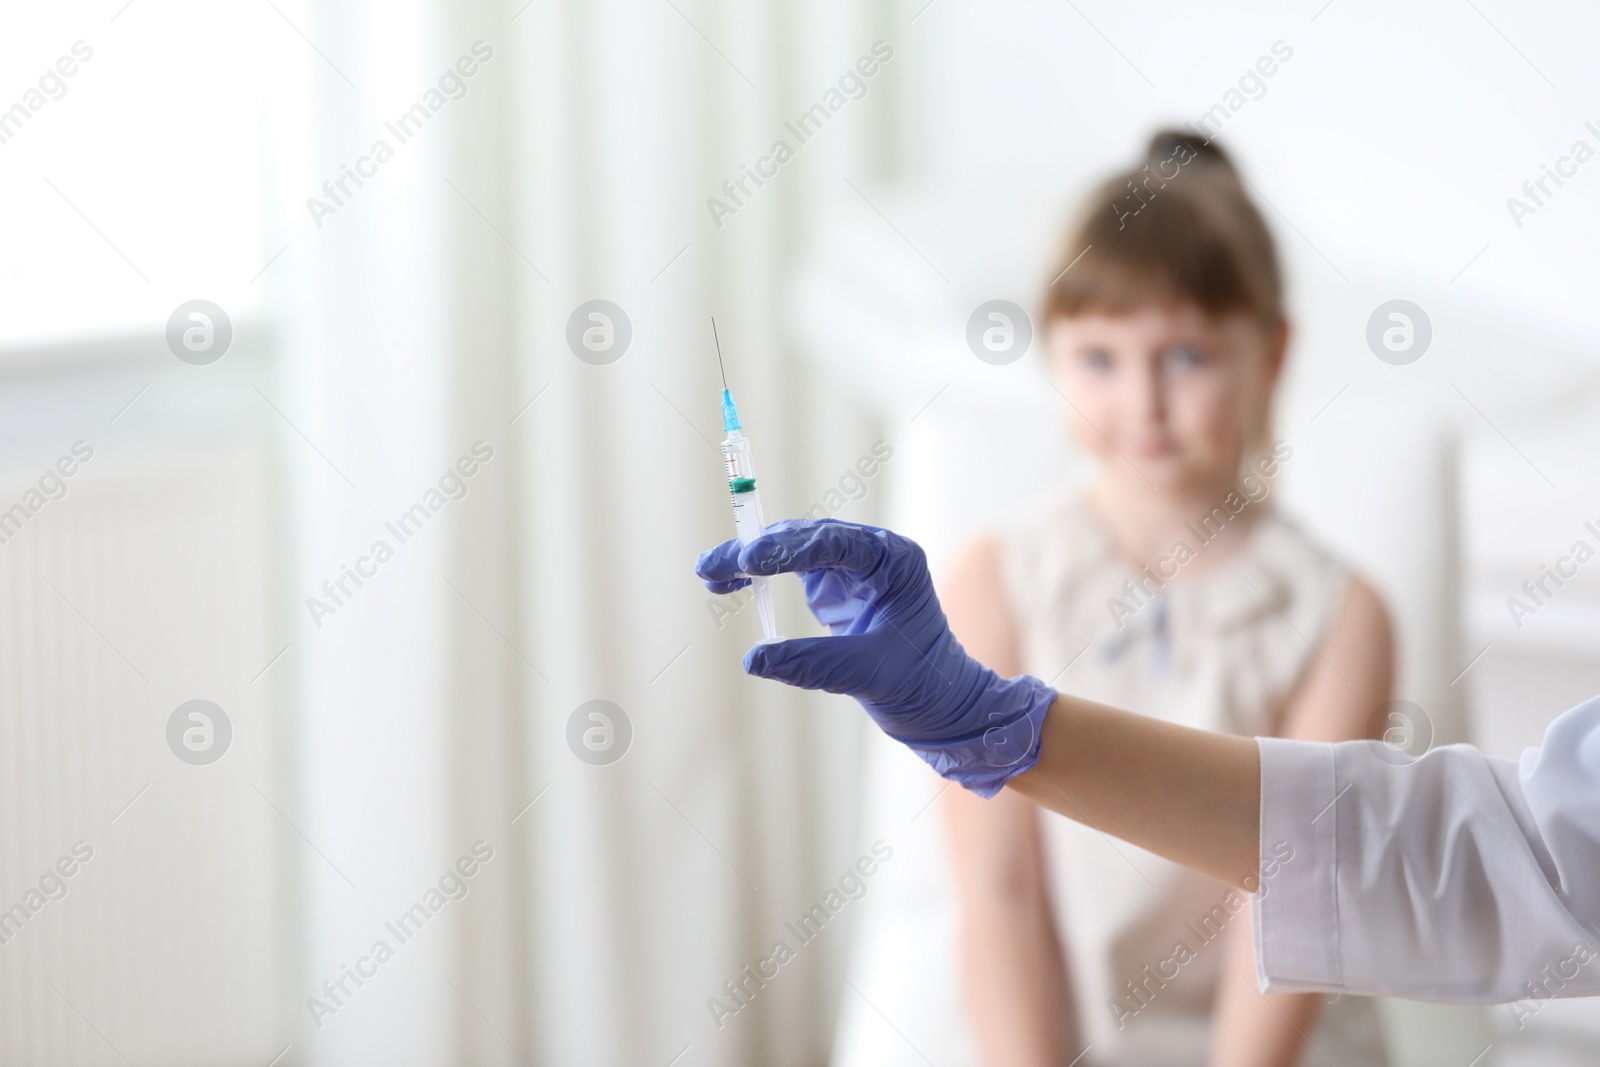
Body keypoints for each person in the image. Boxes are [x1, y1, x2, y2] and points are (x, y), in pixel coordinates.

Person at [695, 517, 1600, 1008]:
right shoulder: (1009, 570)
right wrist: (981, 721)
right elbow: (1509, 865)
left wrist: (989, 724)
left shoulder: (1333, 601)